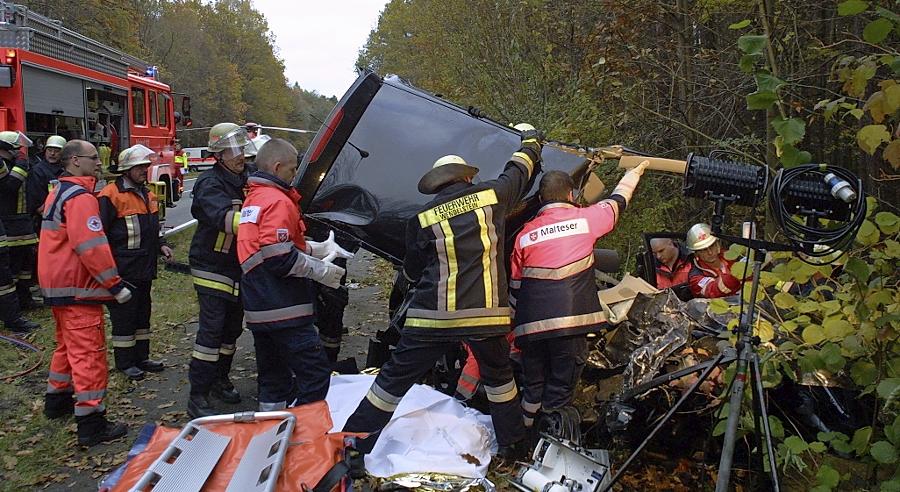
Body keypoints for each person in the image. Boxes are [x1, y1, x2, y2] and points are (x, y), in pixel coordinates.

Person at [342, 124, 543, 460]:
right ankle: (513, 445)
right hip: (485, 316)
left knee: (393, 380)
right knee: (499, 379)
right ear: (466, 178)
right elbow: (520, 169)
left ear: (437, 185)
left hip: (431, 318)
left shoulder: (421, 218)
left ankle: (356, 440)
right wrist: (532, 140)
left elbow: (412, 271)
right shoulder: (492, 196)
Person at [510, 164, 648, 429]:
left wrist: (515, 325)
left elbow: (516, 285)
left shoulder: (524, 235)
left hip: (529, 329)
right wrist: (637, 171)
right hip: (569, 324)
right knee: (561, 385)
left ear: (540, 199)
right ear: (572, 195)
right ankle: (549, 434)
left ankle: (521, 438)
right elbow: (620, 199)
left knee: (532, 386)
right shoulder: (586, 219)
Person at [237, 138, 351, 410]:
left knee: (273, 378)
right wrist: (321, 271)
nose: (294, 175)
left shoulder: (255, 199)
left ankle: (272, 431)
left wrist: (317, 248)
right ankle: (305, 438)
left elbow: (273, 246)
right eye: (292, 169)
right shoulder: (277, 201)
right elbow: (278, 258)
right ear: (277, 167)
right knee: (314, 376)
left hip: (260, 306)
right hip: (284, 307)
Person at [39, 139, 131, 446]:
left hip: (58, 287)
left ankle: (57, 401)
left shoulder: (59, 191)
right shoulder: (80, 197)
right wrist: (114, 284)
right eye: (94, 158)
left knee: (66, 347)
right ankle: (91, 424)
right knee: (88, 354)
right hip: (78, 288)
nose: (99, 163)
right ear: (75, 161)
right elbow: (91, 247)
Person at [186, 123, 252, 417]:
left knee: (231, 331)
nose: (241, 157)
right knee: (211, 332)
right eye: (235, 151)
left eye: (242, 150)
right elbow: (225, 219)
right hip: (212, 267)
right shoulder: (209, 184)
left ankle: (219, 380)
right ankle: (197, 394)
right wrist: (265, 223)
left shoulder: (247, 179)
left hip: (238, 268)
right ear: (218, 154)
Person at [98, 145, 173, 381]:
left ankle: (142, 357)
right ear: (126, 169)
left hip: (144, 267)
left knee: (143, 314)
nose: (144, 170)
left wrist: (161, 243)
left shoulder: (147, 193)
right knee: (124, 318)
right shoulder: (110, 195)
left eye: (145, 166)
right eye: (139, 167)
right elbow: (101, 234)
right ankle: (125, 362)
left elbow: (154, 226)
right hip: (123, 268)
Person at [0, 131, 40, 311]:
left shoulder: (15, 164)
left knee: (26, 264)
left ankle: (26, 299)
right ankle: (13, 305)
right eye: (17, 146)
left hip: (23, 221)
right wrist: (22, 164)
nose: (20, 150)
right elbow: (10, 186)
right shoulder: (6, 165)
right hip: (9, 223)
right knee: (13, 266)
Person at [686, 223, 742, 298]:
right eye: (703, 250)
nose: (710, 252)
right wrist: (736, 274)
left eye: (712, 246)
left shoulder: (732, 257)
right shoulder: (695, 277)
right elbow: (713, 290)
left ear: (717, 244)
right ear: (696, 254)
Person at [26, 135, 67, 221]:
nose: (52, 154)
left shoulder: (67, 169)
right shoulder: (38, 171)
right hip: (46, 217)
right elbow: (36, 203)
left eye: (57, 151)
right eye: (49, 150)